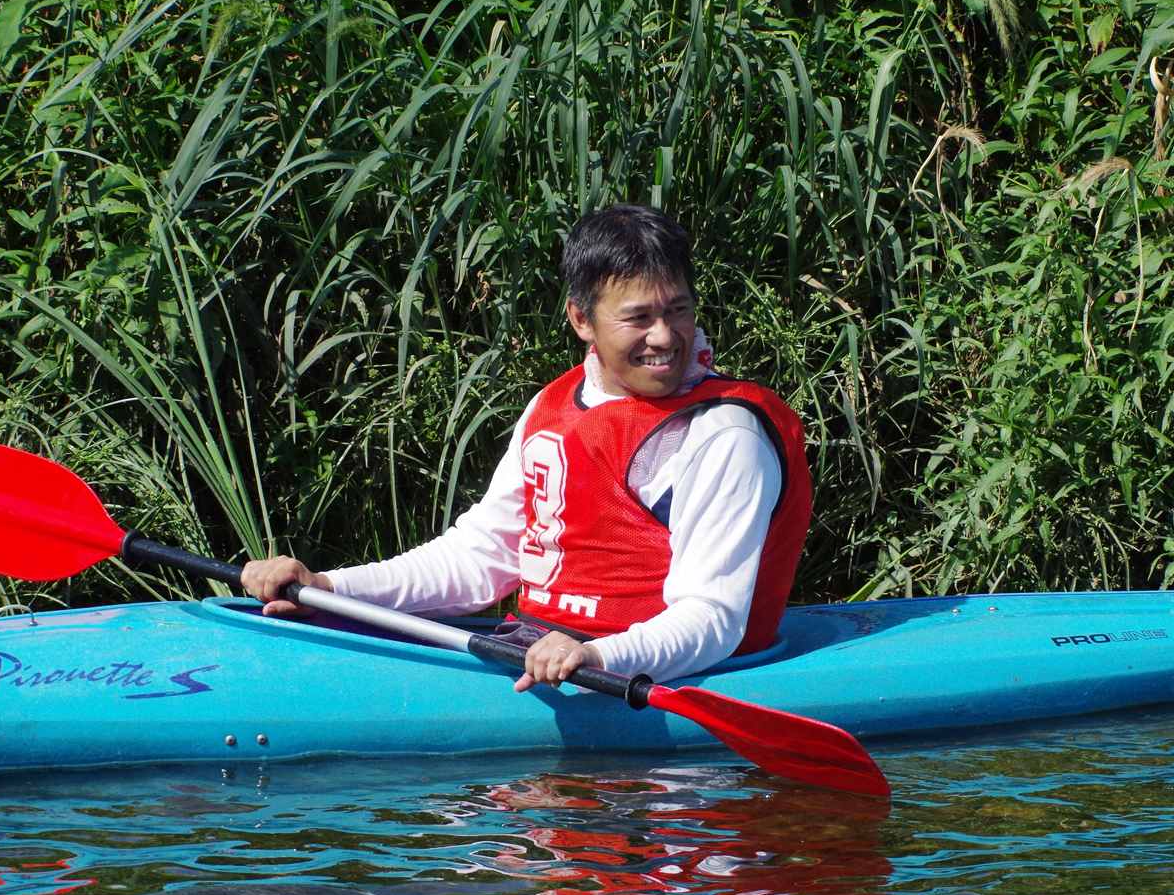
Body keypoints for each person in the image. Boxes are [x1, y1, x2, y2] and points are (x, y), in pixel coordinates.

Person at [240, 203, 812, 691]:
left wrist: (600, 658)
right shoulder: (555, 404)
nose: (665, 337)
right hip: (540, 651)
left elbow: (713, 617)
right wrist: (331, 589)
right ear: (581, 319)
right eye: (638, 318)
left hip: (639, 673)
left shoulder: (724, 433)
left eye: (678, 310)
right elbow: (482, 558)